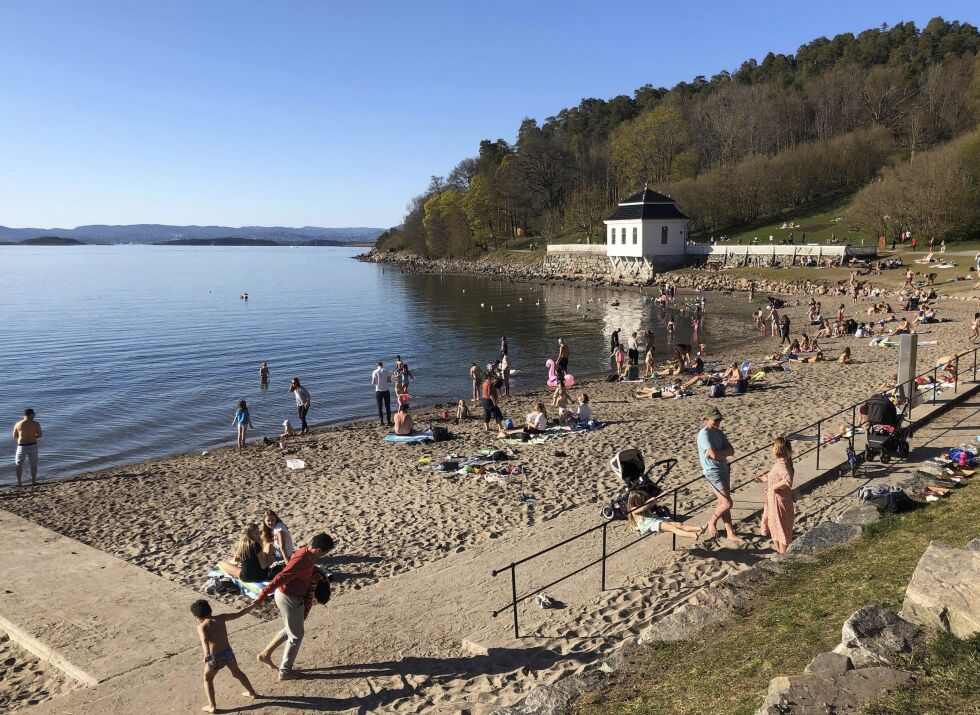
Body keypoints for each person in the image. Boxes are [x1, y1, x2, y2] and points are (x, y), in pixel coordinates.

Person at [243, 532, 335, 680]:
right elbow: (281, 577)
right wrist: (262, 595)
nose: (324, 556)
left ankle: (265, 655)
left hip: (289, 597)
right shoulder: (303, 559)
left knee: (291, 629)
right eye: (325, 553)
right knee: (297, 635)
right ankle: (285, 672)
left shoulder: (306, 553)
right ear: (319, 550)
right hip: (289, 598)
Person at [190, 599, 258, 713]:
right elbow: (239, 613)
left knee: (208, 678)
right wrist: (253, 605)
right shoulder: (221, 618)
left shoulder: (202, 627)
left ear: (197, 617)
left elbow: (205, 641)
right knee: (237, 673)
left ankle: (212, 706)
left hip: (215, 657)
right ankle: (252, 692)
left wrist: (206, 654)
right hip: (228, 652)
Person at [697, 407, 742, 542]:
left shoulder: (719, 433)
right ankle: (712, 522)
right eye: (715, 419)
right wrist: (720, 454)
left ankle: (730, 532)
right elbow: (713, 455)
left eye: (719, 419)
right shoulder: (704, 434)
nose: (718, 422)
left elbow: (731, 451)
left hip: (723, 468)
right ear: (708, 419)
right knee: (727, 503)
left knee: (723, 502)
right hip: (712, 472)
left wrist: (719, 455)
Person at [755, 437, 795, 553]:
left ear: (776, 449)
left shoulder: (782, 464)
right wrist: (766, 479)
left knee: (781, 531)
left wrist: (772, 487)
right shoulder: (783, 462)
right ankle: (781, 554)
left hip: (779, 502)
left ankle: (783, 556)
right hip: (776, 501)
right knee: (776, 529)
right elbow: (779, 477)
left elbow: (787, 480)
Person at [626, 490, 704, 540]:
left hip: (657, 520)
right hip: (652, 524)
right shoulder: (633, 509)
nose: (643, 500)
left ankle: (700, 528)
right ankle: (693, 535)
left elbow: (653, 501)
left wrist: (662, 495)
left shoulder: (644, 505)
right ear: (635, 500)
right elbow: (643, 508)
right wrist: (650, 500)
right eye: (641, 499)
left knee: (679, 525)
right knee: (674, 528)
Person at [12, 408, 41, 487]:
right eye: (34, 414)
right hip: (33, 445)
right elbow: (40, 435)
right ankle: (33, 481)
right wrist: (33, 435)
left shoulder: (18, 424)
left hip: (22, 446)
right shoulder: (36, 424)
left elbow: (14, 436)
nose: (34, 415)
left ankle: (19, 482)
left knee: (19, 464)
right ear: (31, 414)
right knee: (33, 464)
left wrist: (22, 436)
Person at [371, 361, 392, 426]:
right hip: (386, 390)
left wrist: (378, 382)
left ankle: (381, 421)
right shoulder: (386, 370)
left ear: (377, 366)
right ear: (382, 365)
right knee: (387, 406)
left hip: (378, 391)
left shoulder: (375, 371)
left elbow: (373, 382)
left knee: (380, 407)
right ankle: (388, 421)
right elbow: (389, 381)